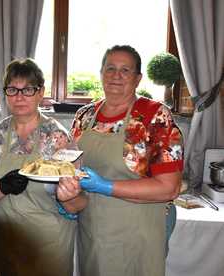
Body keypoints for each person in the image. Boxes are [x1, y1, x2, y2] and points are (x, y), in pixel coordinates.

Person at [62, 45, 184, 276]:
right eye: (110, 68)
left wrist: (104, 186)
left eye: (125, 70)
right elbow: (72, 169)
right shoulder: (84, 116)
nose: (116, 75)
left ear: (137, 79)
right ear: (101, 74)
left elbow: (169, 188)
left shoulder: (154, 116)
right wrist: (67, 199)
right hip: (92, 232)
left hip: (137, 234)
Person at [0, 58, 87, 276]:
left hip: (47, 250)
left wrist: (68, 196)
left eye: (28, 89)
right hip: (2, 246)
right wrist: (1, 187)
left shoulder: (58, 137)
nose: (19, 96)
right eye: (12, 89)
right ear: (5, 93)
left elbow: (78, 205)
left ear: (41, 93)